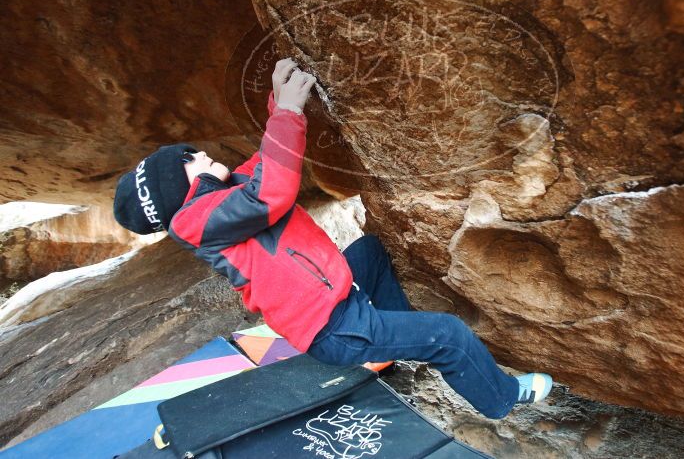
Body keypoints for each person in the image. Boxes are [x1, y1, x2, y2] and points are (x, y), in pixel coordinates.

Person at [112, 57, 553, 419]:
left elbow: (266, 162)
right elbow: (272, 192)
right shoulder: (196, 221)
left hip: (339, 299)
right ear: (177, 194)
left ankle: (395, 343)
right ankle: (502, 398)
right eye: (189, 160)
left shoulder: (219, 201)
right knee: (448, 333)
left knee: (370, 251)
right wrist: (289, 112)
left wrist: (275, 106)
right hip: (335, 329)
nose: (201, 152)